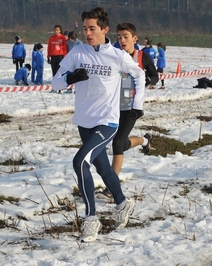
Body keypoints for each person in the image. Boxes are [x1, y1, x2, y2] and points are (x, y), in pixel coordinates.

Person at [51, 7, 146, 243]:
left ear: (104, 29)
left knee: (80, 161)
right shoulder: (77, 53)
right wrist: (70, 78)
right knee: (103, 168)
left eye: (92, 28)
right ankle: (123, 203)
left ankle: (91, 219)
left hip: (108, 121)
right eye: (84, 29)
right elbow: (54, 83)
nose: (87, 33)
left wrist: (138, 104)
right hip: (85, 122)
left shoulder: (117, 55)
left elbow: (140, 75)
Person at [98, 22, 158, 200]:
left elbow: (155, 76)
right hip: (115, 105)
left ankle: (111, 187)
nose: (122, 40)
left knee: (117, 143)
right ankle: (143, 140)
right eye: (119, 37)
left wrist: (146, 81)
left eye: (125, 37)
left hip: (132, 108)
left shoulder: (143, 57)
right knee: (120, 143)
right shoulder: (114, 55)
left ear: (134, 38)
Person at [47, 24, 67, 89]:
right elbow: (49, 47)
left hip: (60, 56)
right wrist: (48, 56)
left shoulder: (62, 38)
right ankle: (54, 86)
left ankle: (60, 86)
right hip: (53, 56)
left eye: (57, 30)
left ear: (60, 31)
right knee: (54, 71)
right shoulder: (51, 38)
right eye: (55, 30)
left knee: (59, 71)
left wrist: (65, 56)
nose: (56, 31)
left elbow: (64, 48)